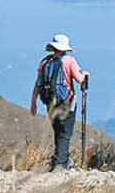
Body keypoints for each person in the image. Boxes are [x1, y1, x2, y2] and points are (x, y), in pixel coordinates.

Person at [30, 34, 90, 171]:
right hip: (66, 103)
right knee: (65, 133)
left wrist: (33, 102)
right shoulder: (69, 60)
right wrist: (85, 74)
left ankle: (59, 160)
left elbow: (38, 83)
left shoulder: (45, 61)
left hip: (49, 102)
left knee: (57, 131)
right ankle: (59, 164)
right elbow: (80, 80)